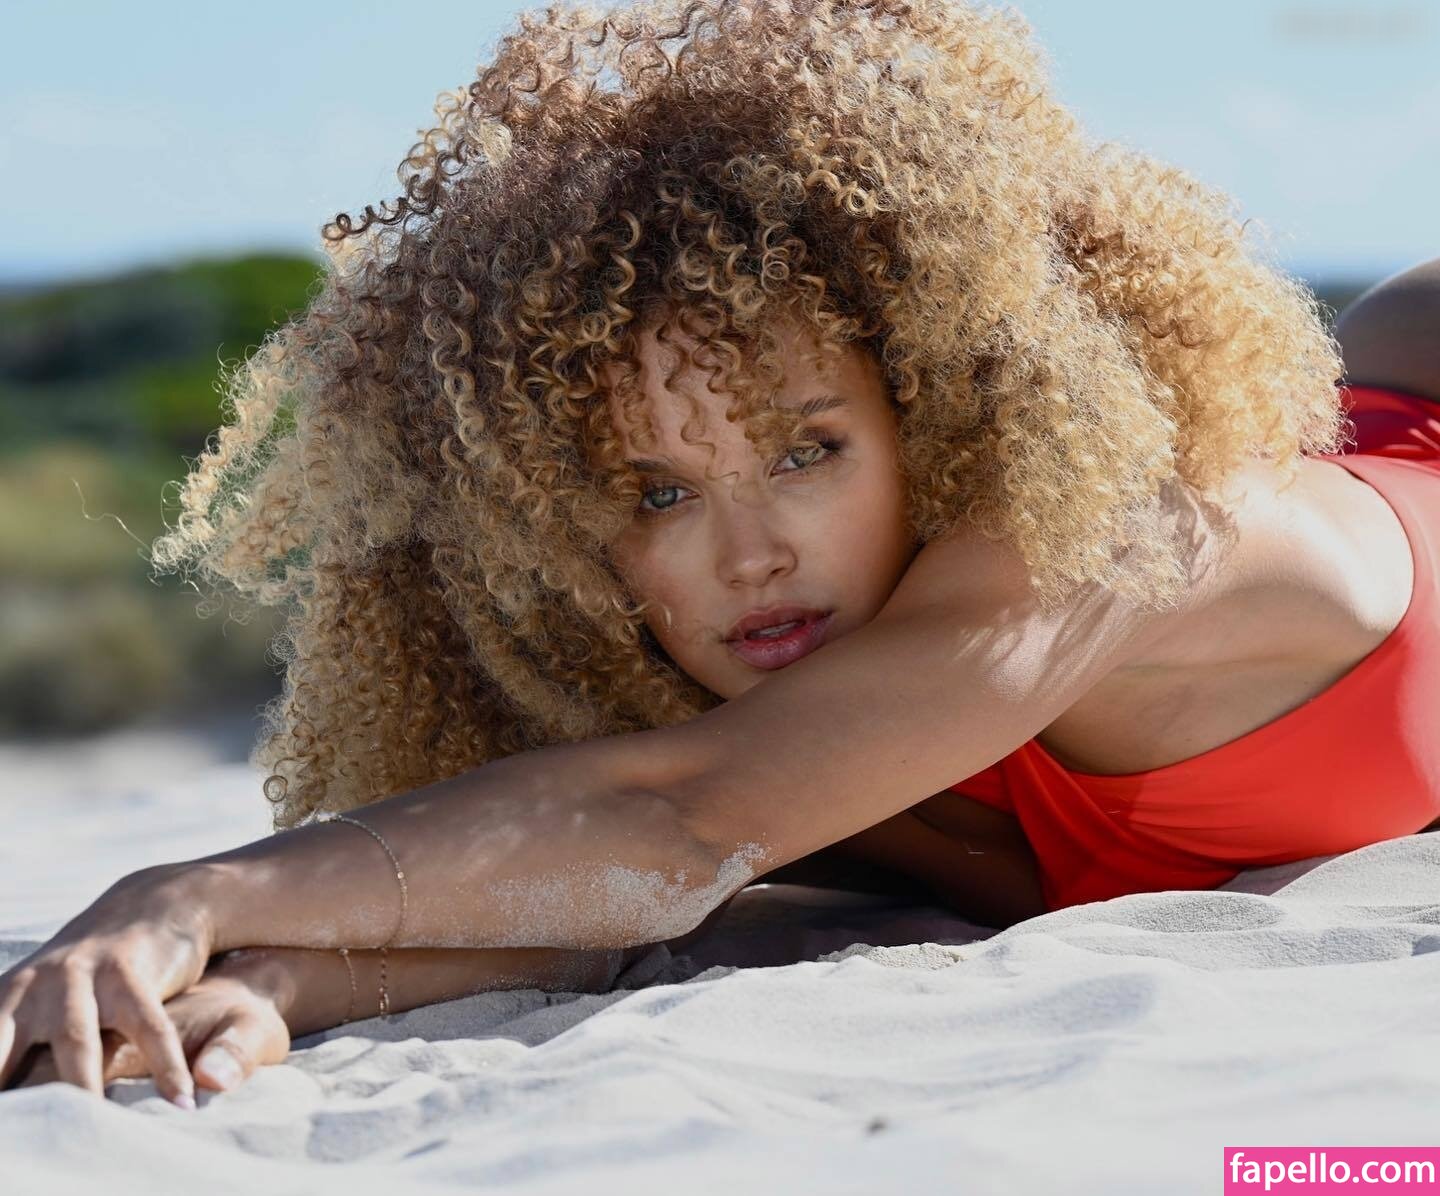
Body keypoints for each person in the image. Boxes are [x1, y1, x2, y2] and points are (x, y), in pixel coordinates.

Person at [3, 0, 1437, 1107]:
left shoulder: (1103, 540)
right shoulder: (757, 694)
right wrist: (277, 986)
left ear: (929, 410)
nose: (749, 554)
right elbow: (606, 895)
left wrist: (191, 895)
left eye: (807, 452)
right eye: (656, 492)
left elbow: (683, 825)